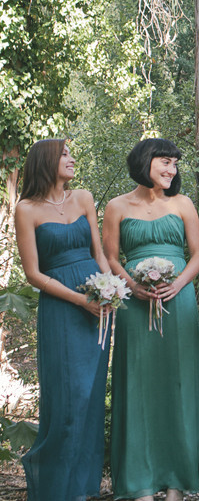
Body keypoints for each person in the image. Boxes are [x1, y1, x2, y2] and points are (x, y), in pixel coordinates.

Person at [103, 138, 199, 501]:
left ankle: (177, 482)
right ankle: (141, 484)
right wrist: (132, 285)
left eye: (175, 164)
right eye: (165, 162)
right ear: (145, 161)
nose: (172, 170)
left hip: (178, 302)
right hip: (135, 304)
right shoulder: (116, 206)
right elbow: (112, 258)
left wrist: (177, 285)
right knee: (139, 384)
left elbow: (197, 255)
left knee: (178, 383)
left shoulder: (182, 203)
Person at [15, 139, 110, 501]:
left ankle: (83, 489)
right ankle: (57, 490)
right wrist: (78, 300)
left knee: (90, 396)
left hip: (98, 307)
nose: (71, 159)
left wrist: (110, 290)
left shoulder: (83, 197)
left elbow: (98, 253)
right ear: (46, 161)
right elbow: (33, 274)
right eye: (65, 154)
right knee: (67, 398)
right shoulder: (27, 209)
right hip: (62, 307)